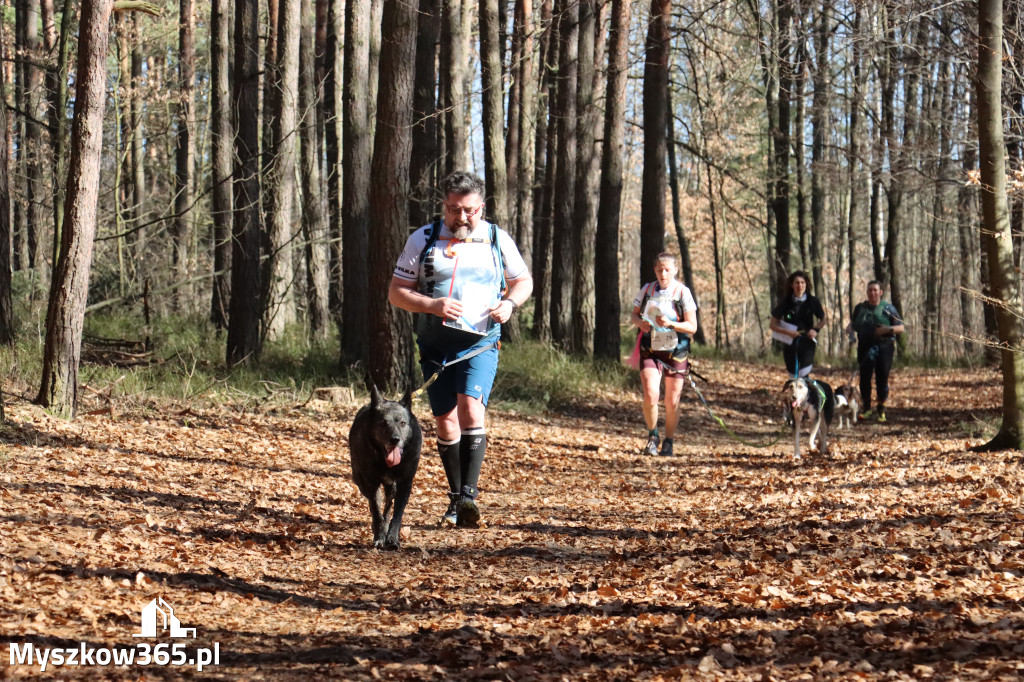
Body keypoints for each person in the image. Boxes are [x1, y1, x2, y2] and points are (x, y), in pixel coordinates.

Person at [389, 171, 533, 527]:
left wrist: (510, 305)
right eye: (454, 209)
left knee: (471, 410)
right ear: (444, 206)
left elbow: (523, 281)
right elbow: (396, 292)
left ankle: (469, 497)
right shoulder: (423, 239)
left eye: (468, 210)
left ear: (481, 208)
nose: (461, 217)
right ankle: (455, 498)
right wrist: (431, 306)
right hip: (435, 344)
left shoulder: (497, 238)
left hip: (480, 342)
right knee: (445, 420)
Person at [630, 253, 698, 457]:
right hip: (650, 349)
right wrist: (639, 323)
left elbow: (692, 327)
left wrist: (672, 324)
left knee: (672, 401)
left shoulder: (682, 292)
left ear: (675, 270)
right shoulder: (648, 289)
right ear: (655, 271)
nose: (663, 273)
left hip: (676, 351)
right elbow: (634, 314)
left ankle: (669, 440)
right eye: (659, 269)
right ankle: (653, 436)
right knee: (651, 395)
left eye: (667, 269)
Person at [847, 280, 904, 423]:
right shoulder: (860, 308)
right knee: (865, 378)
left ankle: (881, 410)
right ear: (867, 292)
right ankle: (866, 408)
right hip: (865, 347)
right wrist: (850, 333)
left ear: (880, 292)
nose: (872, 293)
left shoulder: (888, 308)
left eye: (875, 290)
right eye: (870, 290)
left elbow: (901, 328)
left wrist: (887, 329)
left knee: (882, 378)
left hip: (885, 347)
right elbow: (852, 325)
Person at [769, 271, 827, 378]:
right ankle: (795, 394)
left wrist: (815, 330)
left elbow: (823, 319)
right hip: (790, 343)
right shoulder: (786, 302)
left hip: (807, 342)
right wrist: (787, 332)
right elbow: (772, 324)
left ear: (806, 284)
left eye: (802, 283)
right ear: (792, 285)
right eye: (797, 283)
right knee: (793, 377)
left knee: (803, 375)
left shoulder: (813, 301)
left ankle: (807, 393)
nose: (800, 286)